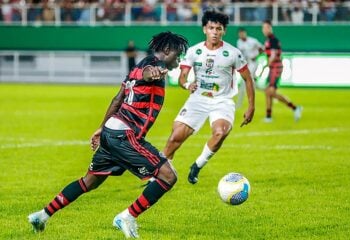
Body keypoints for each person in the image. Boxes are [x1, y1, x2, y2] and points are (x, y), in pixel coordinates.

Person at [28, 31, 189, 239]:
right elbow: (147, 73)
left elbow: (117, 99)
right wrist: (154, 72)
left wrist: (101, 128)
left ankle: (42, 215)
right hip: (125, 135)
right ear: (166, 50)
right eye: (177, 53)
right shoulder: (150, 66)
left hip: (112, 131)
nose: (179, 58)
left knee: (89, 182)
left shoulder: (134, 69)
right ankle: (127, 217)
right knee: (168, 176)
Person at [163, 10, 255, 185]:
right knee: (175, 137)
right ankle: (157, 174)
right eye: (211, 28)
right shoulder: (194, 51)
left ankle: (197, 165)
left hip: (223, 101)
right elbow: (182, 77)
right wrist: (186, 84)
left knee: (220, 133)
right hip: (198, 99)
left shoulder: (233, 53)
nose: (215, 32)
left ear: (223, 31)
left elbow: (247, 79)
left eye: (219, 29)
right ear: (205, 29)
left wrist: (251, 106)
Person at [261, 20, 302, 123]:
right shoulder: (269, 40)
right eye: (263, 28)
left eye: (266, 27)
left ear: (270, 28)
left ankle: (295, 108)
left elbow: (274, 55)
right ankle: (268, 116)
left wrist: (266, 65)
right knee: (268, 92)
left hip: (276, 68)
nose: (264, 30)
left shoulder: (273, 40)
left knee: (270, 92)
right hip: (273, 68)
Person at [236, 27, 263, 108]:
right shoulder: (239, 42)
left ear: (245, 33)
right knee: (255, 85)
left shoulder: (253, 41)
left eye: (242, 33)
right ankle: (269, 92)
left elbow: (262, 49)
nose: (241, 35)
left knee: (244, 82)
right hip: (246, 64)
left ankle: (239, 104)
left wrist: (256, 56)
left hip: (253, 63)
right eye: (240, 34)